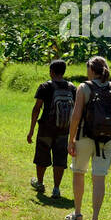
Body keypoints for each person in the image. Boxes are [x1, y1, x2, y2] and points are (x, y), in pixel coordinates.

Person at [66, 55, 111, 220]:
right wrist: (108, 121)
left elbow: (76, 117)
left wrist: (71, 140)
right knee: (99, 178)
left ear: (91, 70)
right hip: (107, 140)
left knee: (79, 173)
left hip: (84, 137)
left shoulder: (84, 88)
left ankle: (78, 213)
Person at [27, 59, 75, 199]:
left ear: (51, 72)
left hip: (46, 128)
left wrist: (31, 130)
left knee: (42, 155)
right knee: (60, 158)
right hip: (64, 129)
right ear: (63, 72)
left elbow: (37, 109)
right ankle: (56, 189)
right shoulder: (72, 88)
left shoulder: (45, 87)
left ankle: (40, 183)